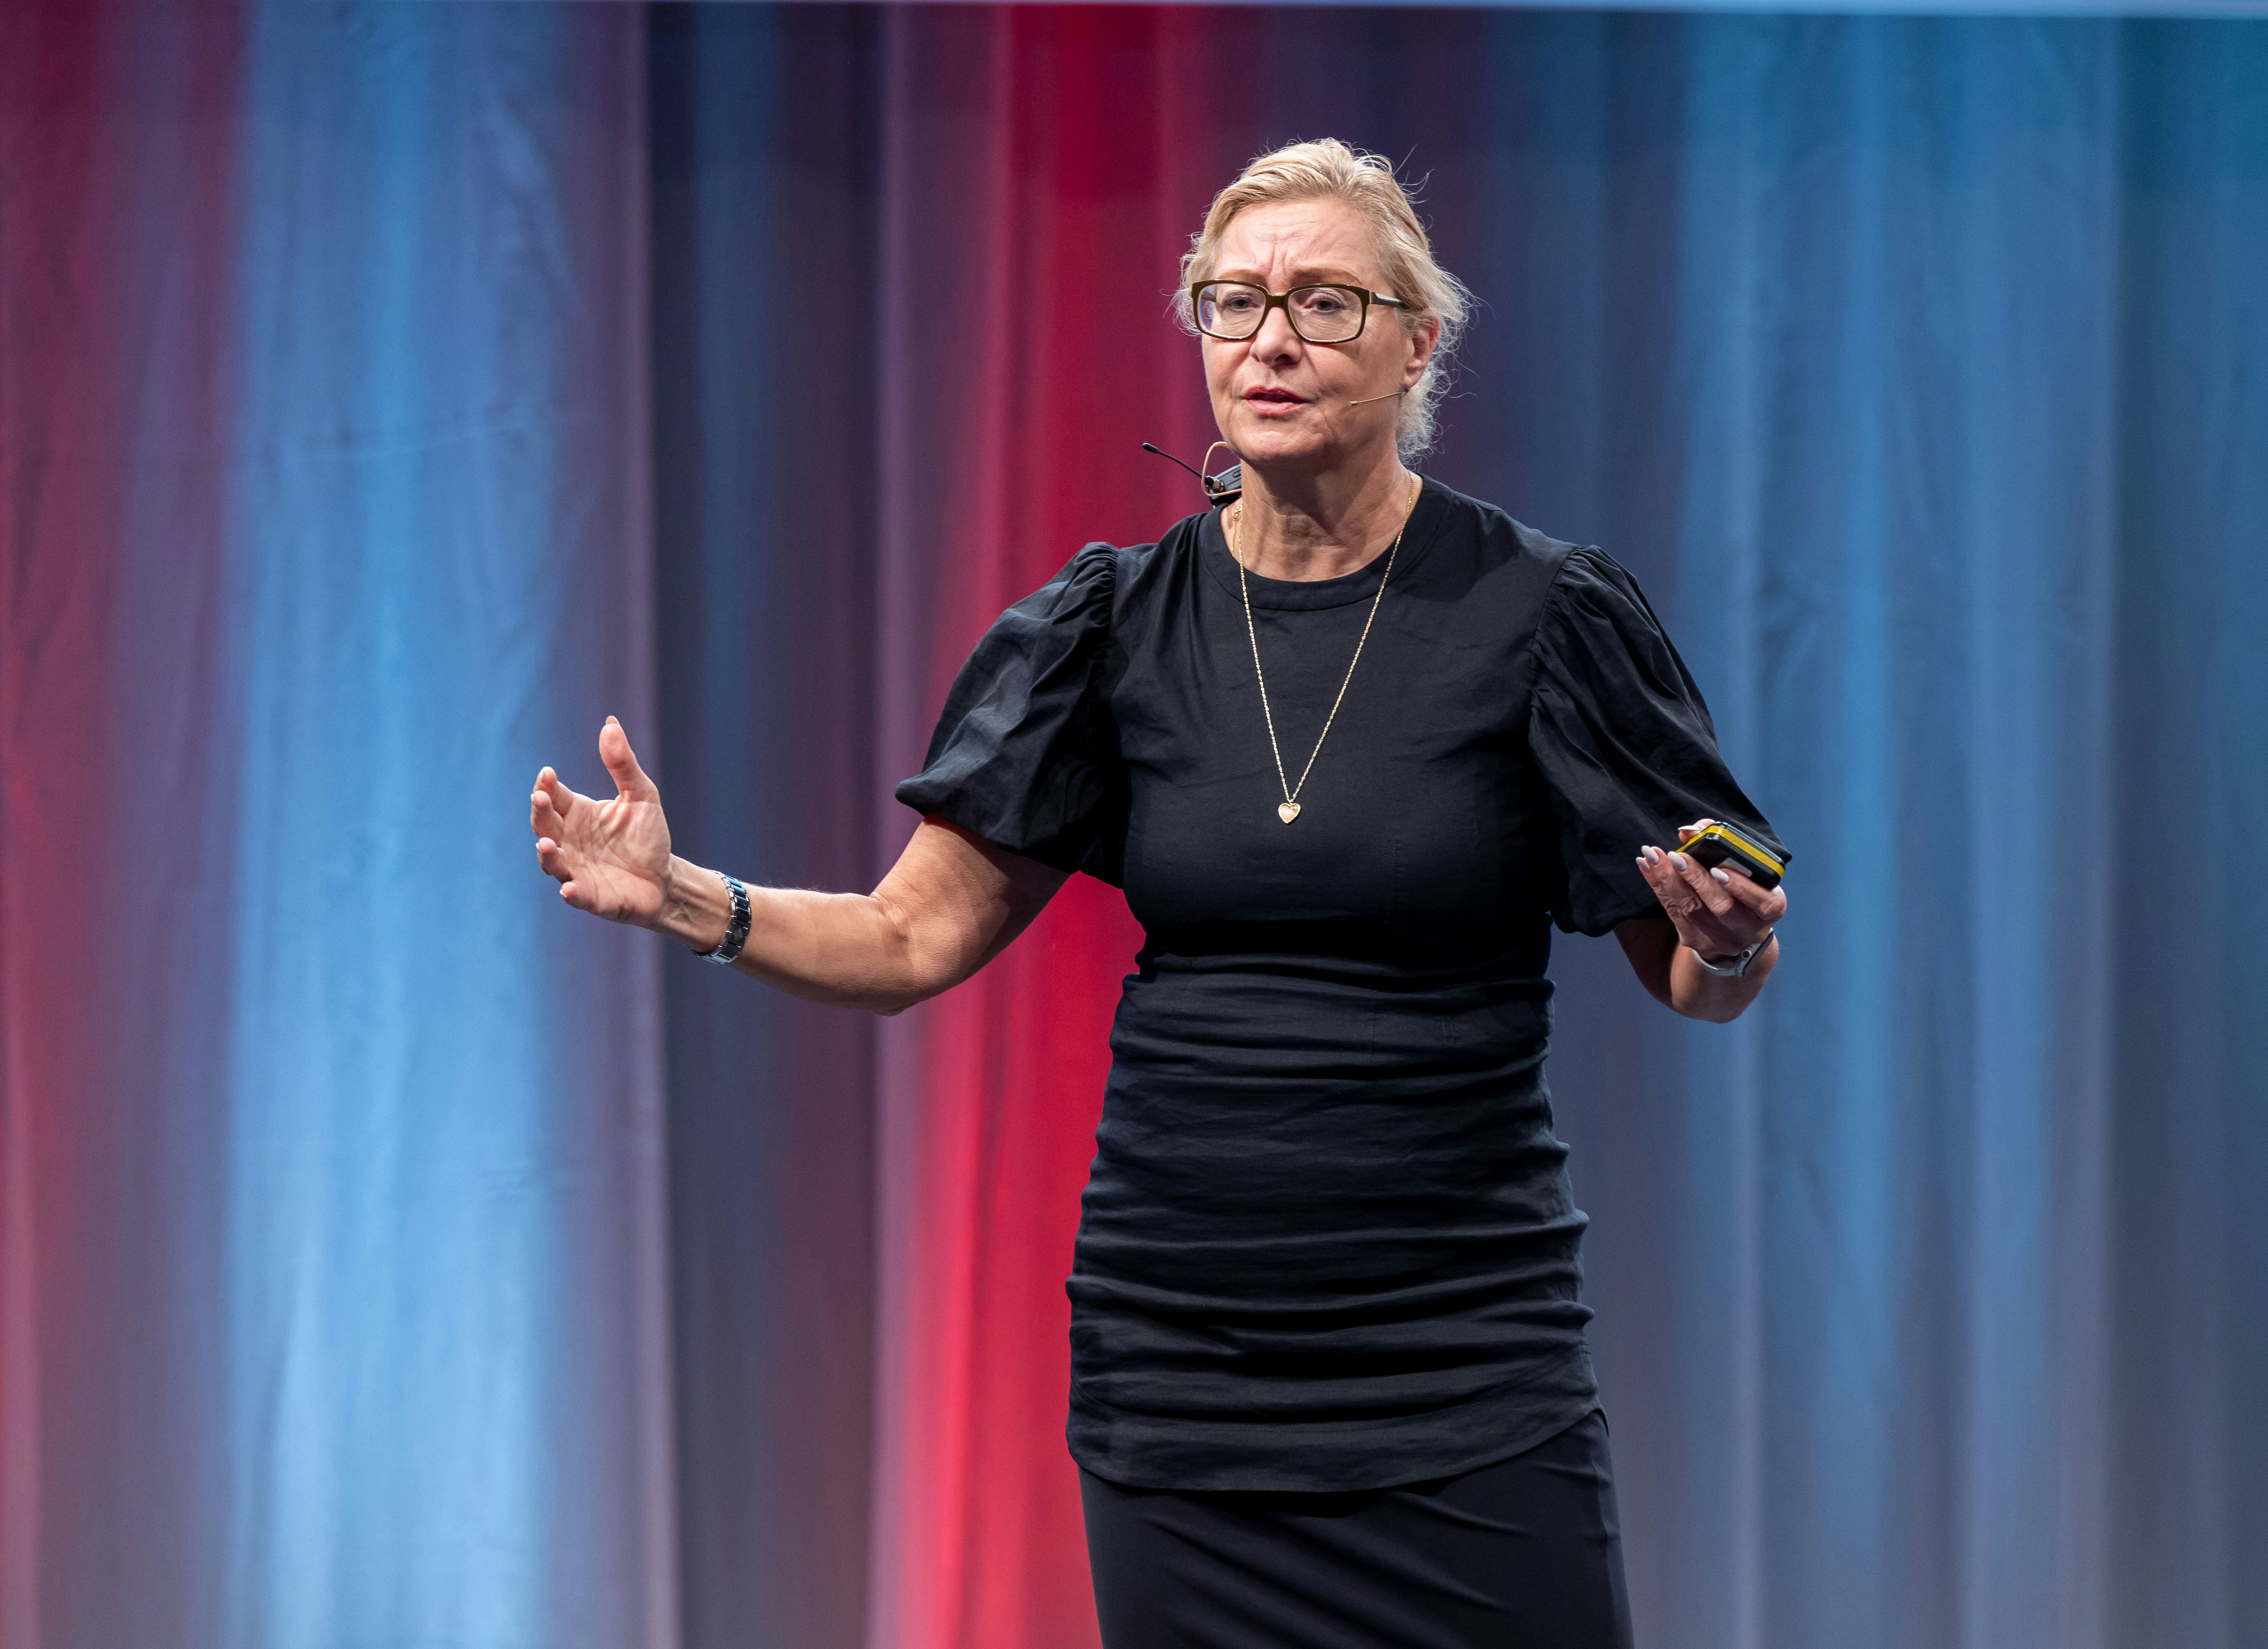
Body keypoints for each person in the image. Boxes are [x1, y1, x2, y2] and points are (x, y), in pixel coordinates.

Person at [529, 139, 1786, 1649]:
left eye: (1325, 302)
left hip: (1462, 1362)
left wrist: (1728, 949)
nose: (1269, 339)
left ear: (1416, 342)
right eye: (1231, 300)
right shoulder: (1111, 623)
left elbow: (1695, 967)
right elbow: (908, 934)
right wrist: (685, 898)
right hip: (1184, 1369)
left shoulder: (1541, 614)